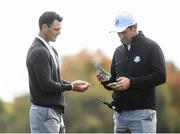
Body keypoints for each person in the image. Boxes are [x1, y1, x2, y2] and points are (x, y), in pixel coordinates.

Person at [96, 12, 166, 133]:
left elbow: (161, 76)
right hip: (120, 115)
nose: (120, 36)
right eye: (118, 32)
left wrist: (131, 83)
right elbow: (114, 81)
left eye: (123, 32)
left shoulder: (151, 47)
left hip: (143, 114)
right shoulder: (118, 51)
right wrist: (105, 81)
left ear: (134, 27)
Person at [26, 11, 90, 133]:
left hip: (54, 112)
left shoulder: (51, 49)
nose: (59, 33)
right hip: (44, 112)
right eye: (56, 29)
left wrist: (72, 83)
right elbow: (46, 85)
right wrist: (71, 87)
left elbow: (55, 80)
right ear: (44, 27)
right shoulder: (39, 51)